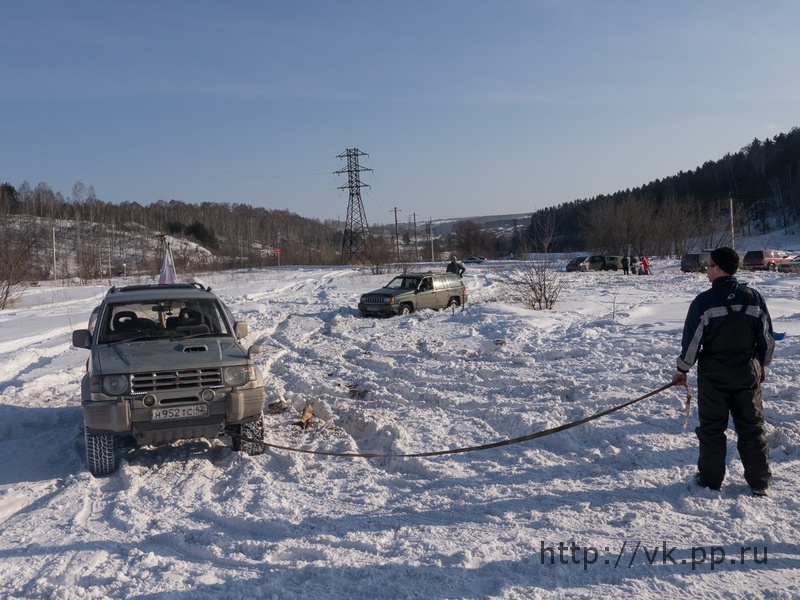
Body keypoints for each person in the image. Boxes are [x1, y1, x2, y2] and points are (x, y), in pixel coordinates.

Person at [671, 247, 774, 496]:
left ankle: (710, 480)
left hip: (714, 376)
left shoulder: (704, 301)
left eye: (708, 265)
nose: (705, 269)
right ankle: (759, 482)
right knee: (751, 427)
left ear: (718, 269)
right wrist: (762, 364)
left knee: (712, 429)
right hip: (747, 373)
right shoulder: (754, 298)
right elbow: (767, 339)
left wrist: (682, 370)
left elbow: (692, 342)